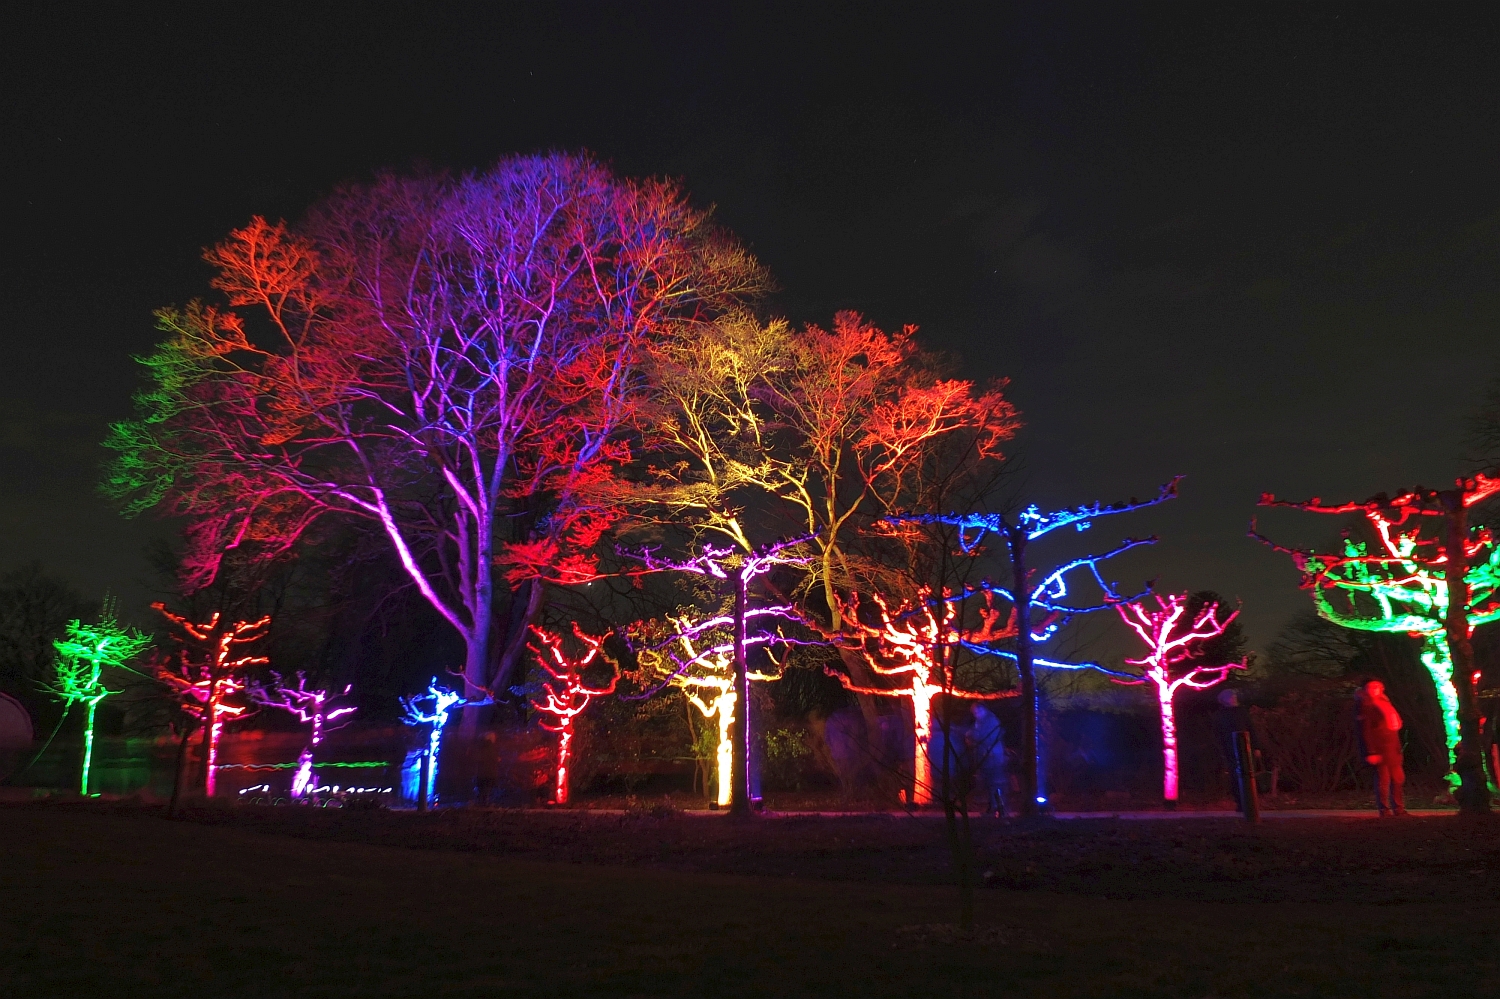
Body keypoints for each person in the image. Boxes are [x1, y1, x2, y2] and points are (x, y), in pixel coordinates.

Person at [1356, 680, 1407, 816]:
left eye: (1377, 687)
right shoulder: (1365, 705)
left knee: (1398, 779)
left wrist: (1398, 748)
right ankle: (1384, 810)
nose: (1375, 689)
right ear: (1366, 689)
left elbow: (1394, 726)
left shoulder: (1385, 703)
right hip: (1380, 749)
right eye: (1371, 687)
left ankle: (1399, 809)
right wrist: (1371, 751)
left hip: (1392, 747)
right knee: (1383, 780)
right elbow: (1365, 731)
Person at [1212, 688, 1255, 809]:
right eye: (1232, 696)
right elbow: (1218, 734)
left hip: (1245, 747)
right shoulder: (1220, 715)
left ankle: (1249, 801)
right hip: (1230, 749)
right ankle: (1240, 802)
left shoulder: (1242, 712)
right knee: (1235, 775)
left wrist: (1256, 747)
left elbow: (1251, 729)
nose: (1234, 698)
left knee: (1248, 774)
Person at [967, 704, 1007, 818]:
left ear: (984, 709)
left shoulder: (991, 721)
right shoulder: (980, 722)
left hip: (993, 756)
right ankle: (993, 807)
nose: (977, 714)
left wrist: (973, 735)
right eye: (975, 712)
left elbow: (989, 737)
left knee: (995, 782)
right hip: (986, 756)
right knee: (989, 783)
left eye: (978, 711)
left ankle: (1000, 807)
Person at [475, 731, 500, 807]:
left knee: (482, 789)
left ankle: (481, 803)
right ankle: (485, 804)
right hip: (488, 772)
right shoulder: (490, 746)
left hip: (482, 771)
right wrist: (496, 759)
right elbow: (491, 757)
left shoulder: (481, 746)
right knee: (487, 789)